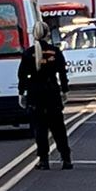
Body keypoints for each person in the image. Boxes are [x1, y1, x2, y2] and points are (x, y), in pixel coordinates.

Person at [18, 21, 72, 169]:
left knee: (40, 128)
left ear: (34, 35)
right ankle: (66, 158)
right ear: (48, 34)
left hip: (35, 94)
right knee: (58, 128)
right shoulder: (55, 52)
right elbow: (62, 73)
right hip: (52, 92)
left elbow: (22, 76)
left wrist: (21, 93)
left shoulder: (28, 53)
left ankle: (43, 160)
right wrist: (65, 91)